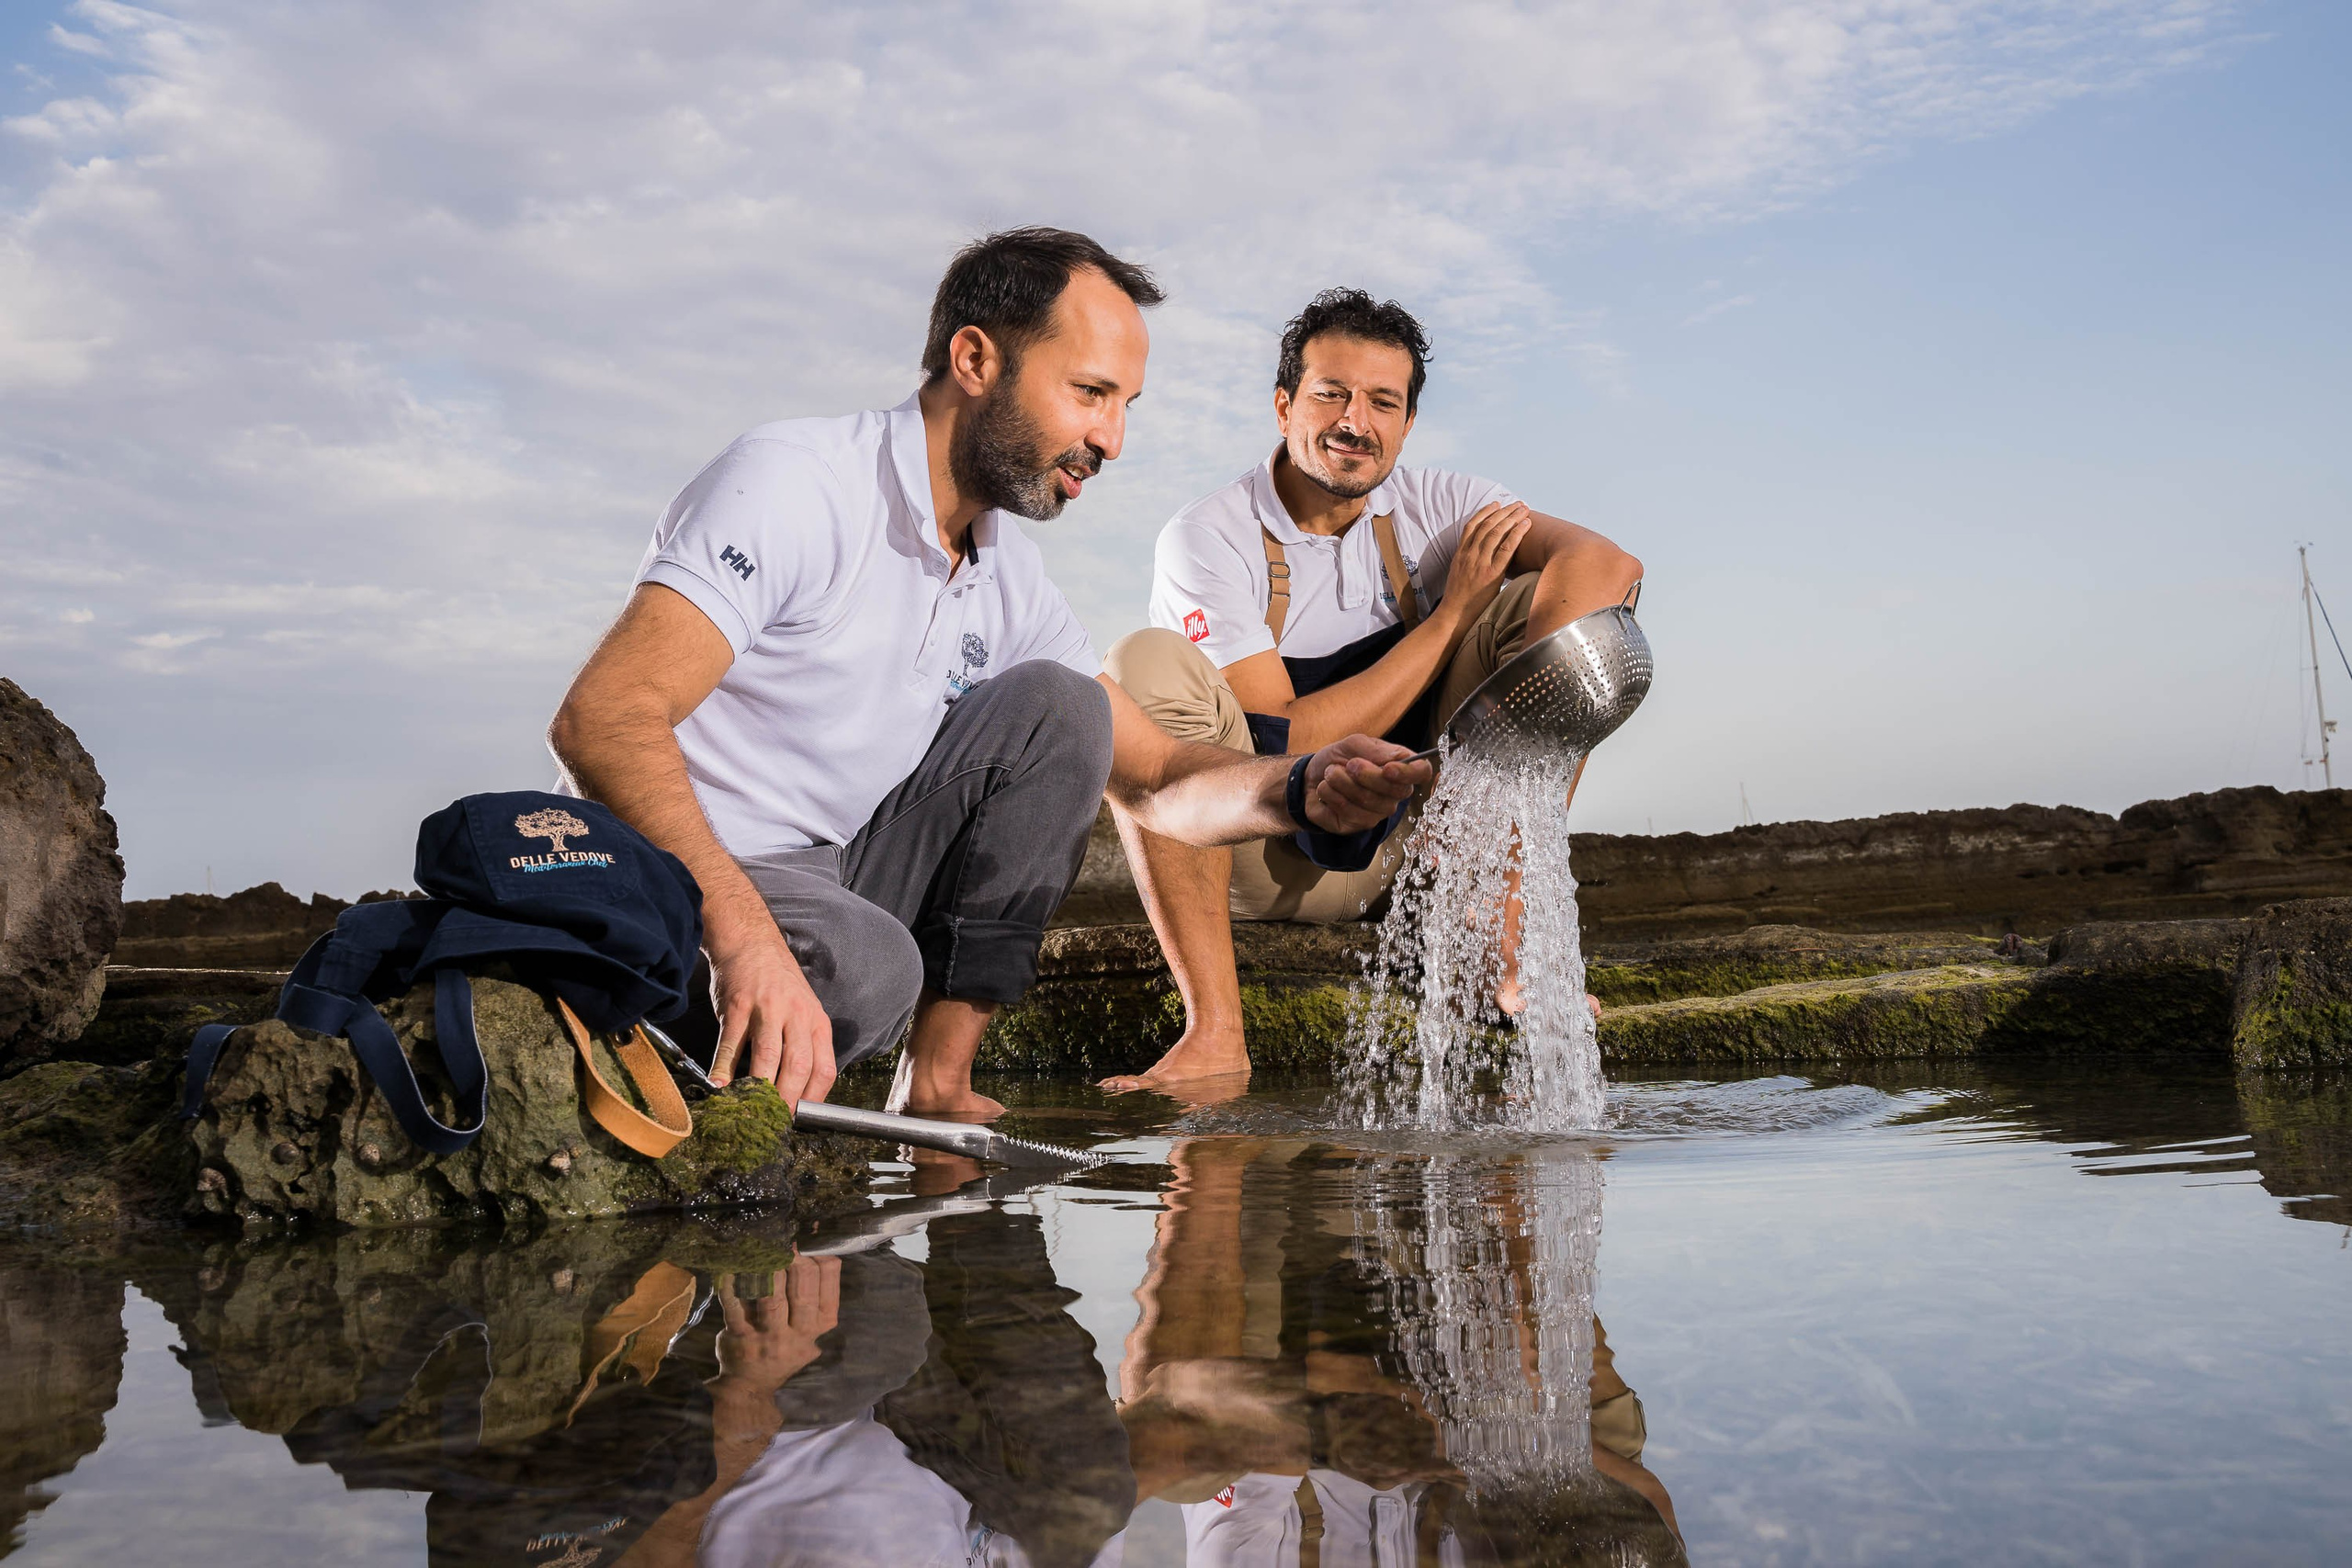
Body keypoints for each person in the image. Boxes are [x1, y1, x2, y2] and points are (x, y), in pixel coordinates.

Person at [549, 231, 1430, 1116]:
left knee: (1065, 708)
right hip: (664, 871)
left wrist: (1303, 786)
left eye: (1125, 404)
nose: (1112, 439)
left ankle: (938, 1084)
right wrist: (743, 937)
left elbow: (1158, 775)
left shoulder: (1008, 574)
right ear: (975, 359)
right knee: (869, 969)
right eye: (1090, 393)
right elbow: (603, 716)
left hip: (834, 873)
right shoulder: (797, 482)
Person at [1099, 288, 1643, 1093]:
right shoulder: (1207, 536)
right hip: (1265, 858)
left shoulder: (1442, 505)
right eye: (1331, 394)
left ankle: (1495, 944)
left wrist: (1512, 723)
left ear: (1408, 421)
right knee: (1141, 662)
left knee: (1548, 612)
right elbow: (1289, 737)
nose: (1356, 421)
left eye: (1383, 402)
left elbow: (1609, 567)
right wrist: (1449, 616)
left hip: (1416, 852)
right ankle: (1213, 1030)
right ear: (1284, 406)